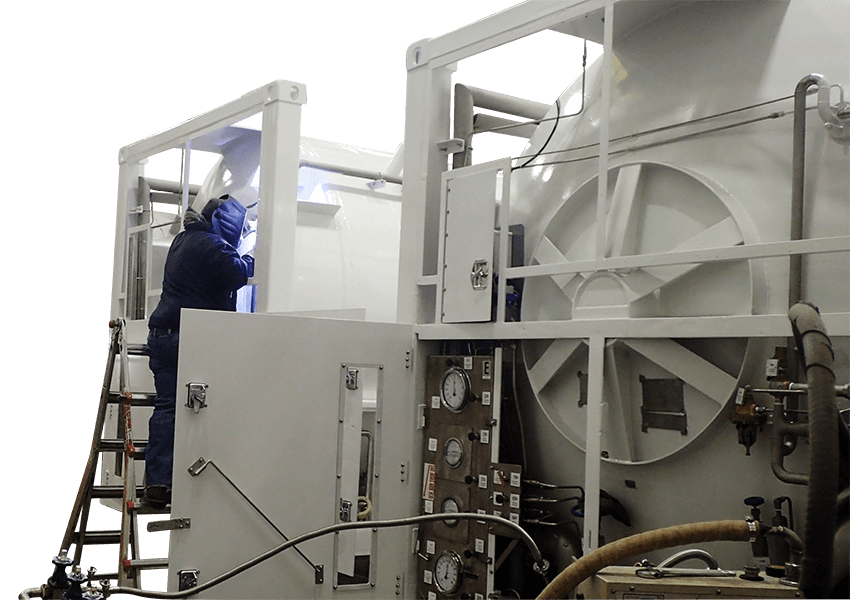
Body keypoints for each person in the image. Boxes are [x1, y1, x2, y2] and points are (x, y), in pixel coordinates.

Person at [144, 195, 254, 508]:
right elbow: (237, 273)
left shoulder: (183, 239)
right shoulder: (211, 244)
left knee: (168, 409)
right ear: (227, 225)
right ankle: (202, 484)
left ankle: (159, 484)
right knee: (207, 408)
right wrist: (254, 258)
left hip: (163, 337)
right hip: (189, 339)